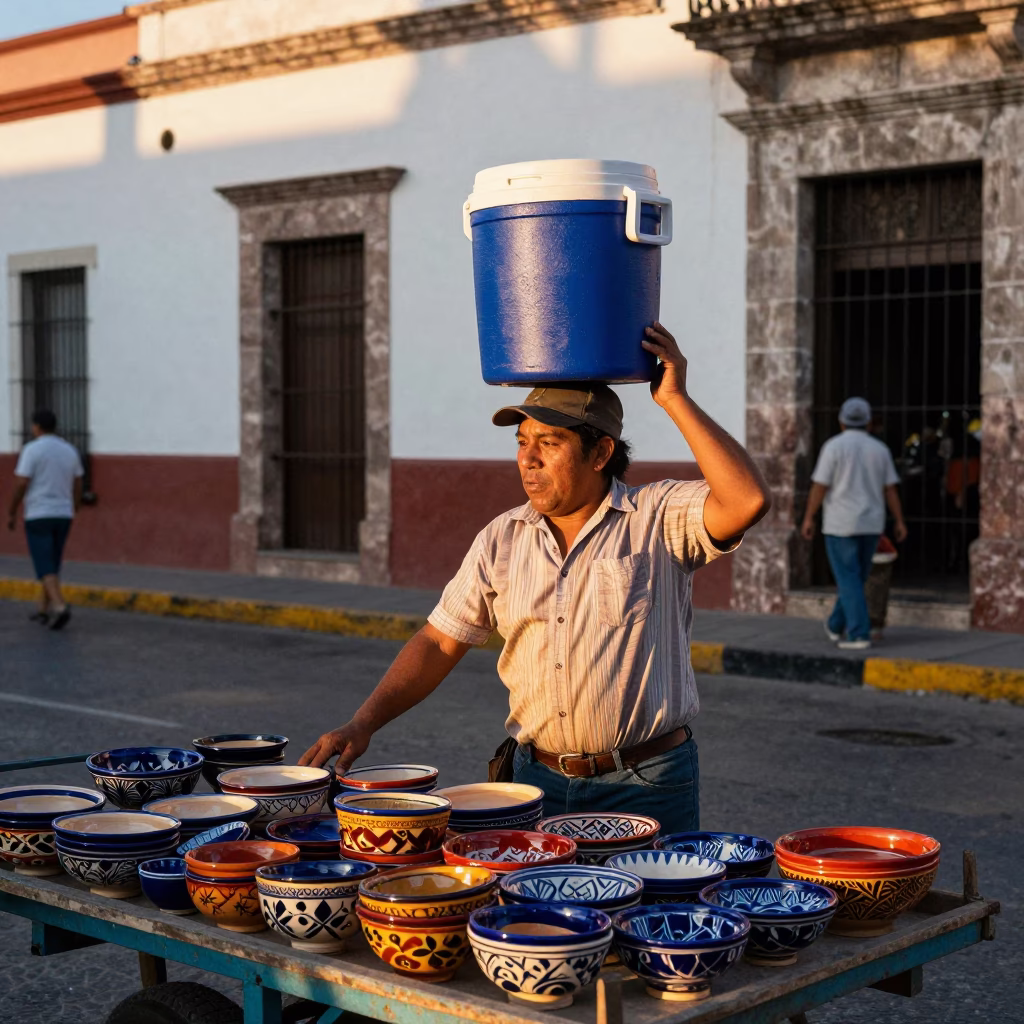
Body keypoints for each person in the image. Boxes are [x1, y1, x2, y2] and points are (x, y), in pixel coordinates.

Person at [301, 324, 771, 832]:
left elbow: (746, 500)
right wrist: (363, 722)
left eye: (549, 441)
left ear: (600, 453)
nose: (528, 458)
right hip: (535, 785)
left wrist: (675, 399)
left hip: (647, 782)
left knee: (648, 910)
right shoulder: (501, 538)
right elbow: (439, 641)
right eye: (523, 441)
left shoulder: (656, 517)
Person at [800, 397, 907, 650]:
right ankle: (836, 625)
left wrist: (809, 517)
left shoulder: (833, 447)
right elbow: (890, 489)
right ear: (869, 423)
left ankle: (859, 633)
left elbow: (820, 486)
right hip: (871, 524)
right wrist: (900, 520)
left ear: (841, 421)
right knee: (855, 579)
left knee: (848, 579)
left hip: (841, 524)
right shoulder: (880, 449)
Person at [6, 409, 84, 630]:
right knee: (52, 560)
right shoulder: (70, 450)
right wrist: (74, 507)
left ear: (36, 427)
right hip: (63, 513)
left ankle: (59, 606)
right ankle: (42, 608)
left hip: (39, 513)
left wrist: (12, 511)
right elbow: (78, 483)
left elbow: (21, 483)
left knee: (43, 562)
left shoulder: (31, 450)